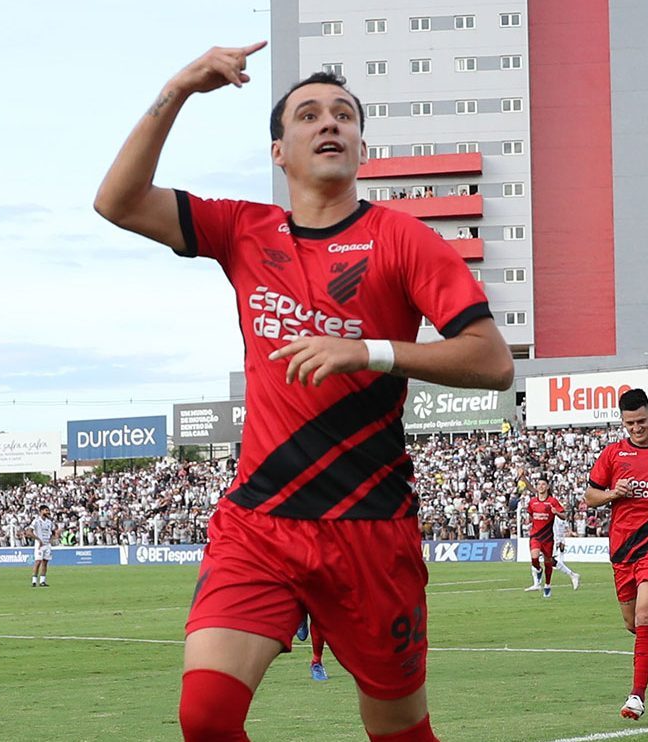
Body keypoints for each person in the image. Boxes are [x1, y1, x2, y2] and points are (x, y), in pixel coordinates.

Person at [94, 43, 514, 742]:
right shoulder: (244, 231)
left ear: (360, 146)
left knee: (400, 730)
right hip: (260, 522)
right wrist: (178, 89)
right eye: (310, 115)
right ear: (278, 152)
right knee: (205, 716)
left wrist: (371, 353)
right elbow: (118, 201)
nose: (330, 124)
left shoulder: (402, 240)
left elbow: (493, 361)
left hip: (372, 529)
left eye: (344, 116)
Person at [585, 389, 648, 720]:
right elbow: (590, 496)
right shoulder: (613, 454)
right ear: (623, 421)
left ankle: (636, 696)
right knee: (634, 624)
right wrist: (614, 492)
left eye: (642, 421)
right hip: (622, 550)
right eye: (630, 423)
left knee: (644, 614)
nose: (637, 428)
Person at [523, 480, 566, 597]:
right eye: (538, 484)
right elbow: (532, 516)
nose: (541, 486)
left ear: (547, 487)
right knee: (534, 558)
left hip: (547, 537)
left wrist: (556, 512)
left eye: (543, 484)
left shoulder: (552, 501)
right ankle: (538, 570)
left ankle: (547, 585)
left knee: (548, 562)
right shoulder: (532, 502)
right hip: (535, 536)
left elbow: (564, 516)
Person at [550, 503, 581, 591]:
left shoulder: (559, 517)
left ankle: (572, 574)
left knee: (551, 560)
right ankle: (536, 583)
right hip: (550, 538)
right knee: (547, 559)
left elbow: (565, 526)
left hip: (556, 538)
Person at [27, 505, 56, 587]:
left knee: (45, 562)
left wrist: (51, 539)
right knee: (38, 562)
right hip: (39, 545)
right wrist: (38, 539)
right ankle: (34, 581)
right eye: (46, 510)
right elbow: (29, 532)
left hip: (47, 545)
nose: (48, 512)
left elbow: (53, 532)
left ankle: (42, 581)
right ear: (41, 511)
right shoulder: (36, 521)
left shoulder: (49, 522)